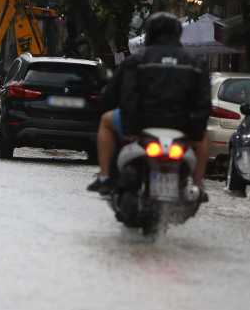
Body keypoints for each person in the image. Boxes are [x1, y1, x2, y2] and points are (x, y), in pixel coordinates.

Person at [87, 12, 211, 196]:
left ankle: (104, 176)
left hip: (139, 124)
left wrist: (128, 126)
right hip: (183, 125)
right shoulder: (195, 63)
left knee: (106, 121)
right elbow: (204, 102)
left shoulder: (137, 60)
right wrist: (196, 128)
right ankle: (199, 184)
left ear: (150, 33)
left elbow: (114, 95)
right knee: (204, 136)